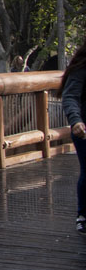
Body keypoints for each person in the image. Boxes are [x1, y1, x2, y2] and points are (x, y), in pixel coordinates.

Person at [60, 42, 86, 234]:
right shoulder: (82, 66)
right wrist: (76, 121)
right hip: (83, 129)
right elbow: (70, 96)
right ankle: (83, 215)